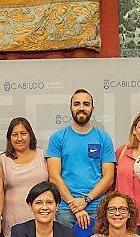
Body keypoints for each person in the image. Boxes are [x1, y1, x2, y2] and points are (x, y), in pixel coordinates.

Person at [46, 89, 116, 229]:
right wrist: (74, 205)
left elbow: (108, 177)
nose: (81, 108)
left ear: (92, 108)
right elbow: (54, 176)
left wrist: (86, 200)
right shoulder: (57, 138)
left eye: (86, 104)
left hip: (97, 207)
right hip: (66, 209)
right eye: (77, 104)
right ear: (71, 108)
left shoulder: (104, 138)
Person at [0, 116, 48, 237]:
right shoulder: (1, 160)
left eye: (23, 133)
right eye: (14, 134)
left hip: (43, 223)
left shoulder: (44, 155)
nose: (19, 138)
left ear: (30, 135)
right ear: (9, 138)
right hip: (13, 226)